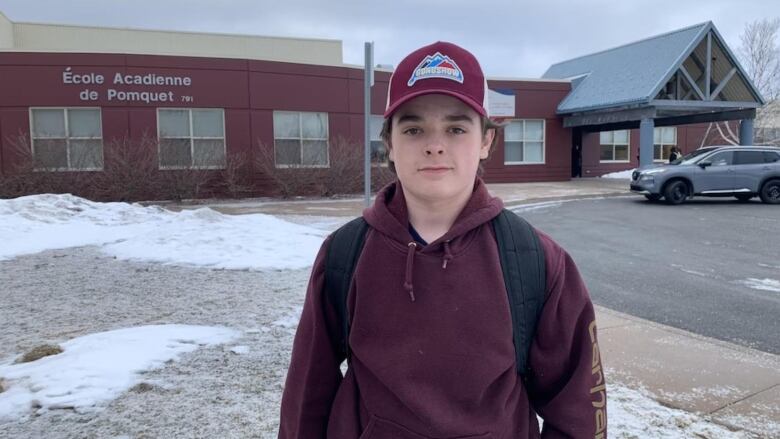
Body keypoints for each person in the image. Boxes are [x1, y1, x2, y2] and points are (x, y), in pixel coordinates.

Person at [278, 41, 606, 439]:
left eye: (456, 128)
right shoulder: (345, 255)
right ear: (390, 144)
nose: (435, 144)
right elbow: (306, 398)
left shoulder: (535, 261)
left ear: (485, 141)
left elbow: (576, 412)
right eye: (414, 128)